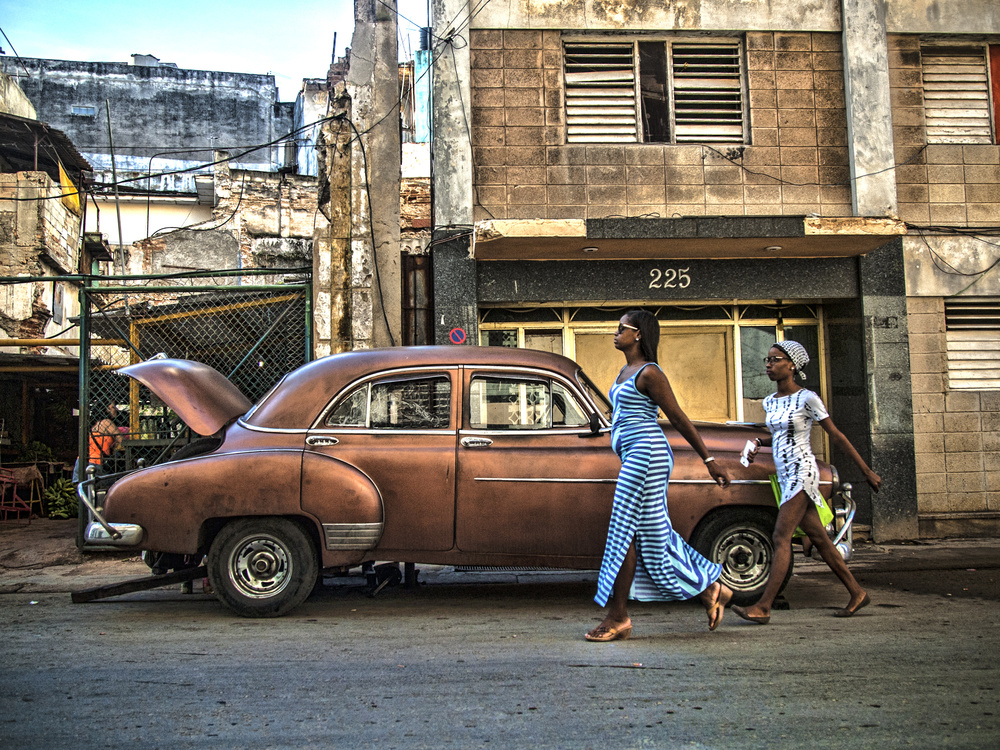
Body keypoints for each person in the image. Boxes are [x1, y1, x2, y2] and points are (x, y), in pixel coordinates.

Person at [585, 310, 734, 642]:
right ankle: (712, 590)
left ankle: (618, 616)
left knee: (622, 531)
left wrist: (709, 459)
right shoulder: (626, 370)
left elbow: (678, 417)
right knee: (653, 536)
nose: (615, 332)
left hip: (646, 455)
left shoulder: (650, 373)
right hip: (635, 455)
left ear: (638, 334)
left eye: (621, 328)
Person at [734, 341, 882, 624]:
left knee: (780, 536)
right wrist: (756, 442)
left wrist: (866, 470)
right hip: (786, 474)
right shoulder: (771, 401)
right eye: (767, 359)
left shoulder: (807, 399)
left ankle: (763, 606)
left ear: (792, 365)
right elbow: (778, 436)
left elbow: (835, 434)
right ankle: (857, 592)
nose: (768, 364)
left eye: (775, 359)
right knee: (820, 539)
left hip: (803, 472)